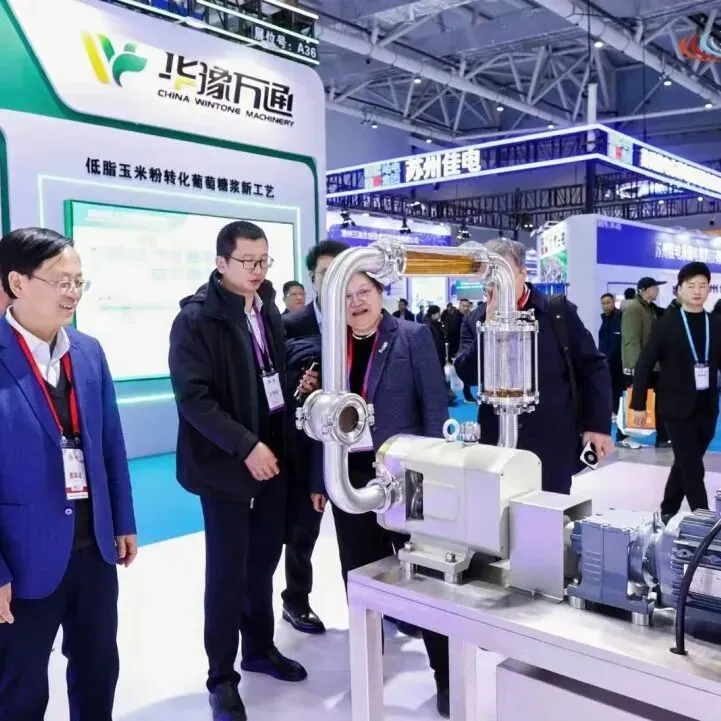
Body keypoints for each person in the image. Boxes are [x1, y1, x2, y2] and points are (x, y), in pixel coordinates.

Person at [169, 221, 305, 721]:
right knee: (226, 572)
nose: (257, 270)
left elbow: (271, 376)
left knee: (263, 561)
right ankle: (221, 677)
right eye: (247, 261)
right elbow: (194, 400)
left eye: (264, 260)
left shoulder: (266, 307)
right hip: (226, 465)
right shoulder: (196, 319)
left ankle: (260, 649)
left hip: (274, 458)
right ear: (221, 262)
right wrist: (246, 446)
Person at [0, 227, 137, 720]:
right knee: (20, 687)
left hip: (94, 550)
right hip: (22, 559)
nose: (73, 293)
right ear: (17, 282)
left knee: (98, 669)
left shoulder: (88, 350)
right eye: (61, 281)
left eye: (79, 282)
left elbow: (110, 444)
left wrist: (122, 521)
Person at [309, 271, 451, 717]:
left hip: (406, 474)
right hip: (348, 477)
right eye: (347, 296)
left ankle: (446, 676)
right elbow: (322, 420)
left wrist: (433, 473)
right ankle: (368, 668)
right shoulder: (333, 345)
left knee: (425, 576)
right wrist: (319, 480)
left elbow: (435, 407)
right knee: (360, 577)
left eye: (364, 292)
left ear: (380, 293)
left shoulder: (413, 337)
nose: (356, 303)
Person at [455, 238, 613, 494]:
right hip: (495, 441)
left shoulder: (556, 312)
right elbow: (467, 373)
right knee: (495, 509)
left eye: (504, 276)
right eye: (490, 279)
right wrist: (488, 328)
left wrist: (597, 427)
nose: (497, 286)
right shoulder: (475, 319)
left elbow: (593, 366)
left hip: (552, 441)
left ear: (523, 273)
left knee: (549, 510)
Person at [280, 239, 349, 635]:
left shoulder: (359, 316)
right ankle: (295, 599)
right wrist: (301, 385)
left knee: (363, 531)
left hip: (353, 441)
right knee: (302, 529)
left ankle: (375, 603)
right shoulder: (290, 325)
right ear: (313, 278)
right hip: (305, 444)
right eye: (325, 272)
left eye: (341, 269)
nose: (333, 278)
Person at [630, 262, 721, 524]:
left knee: (685, 461)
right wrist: (638, 404)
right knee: (692, 467)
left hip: (707, 408)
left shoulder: (715, 324)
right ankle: (704, 522)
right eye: (691, 286)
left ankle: (668, 508)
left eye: (702, 286)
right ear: (679, 289)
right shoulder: (666, 324)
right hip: (675, 408)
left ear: (709, 289)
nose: (697, 291)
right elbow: (644, 364)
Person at [622, 277, 671, 448]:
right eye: (654, 287)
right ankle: (623, 436)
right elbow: (631, 339)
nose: (657, 290)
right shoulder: (634, 309)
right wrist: (636, 366)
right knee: (635, 398)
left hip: (654, 364)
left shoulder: (650, 309)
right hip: (643, 365)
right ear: (645, 290)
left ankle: (663, 437)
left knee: (660, 401)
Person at [599, 293, 640, 450]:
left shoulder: (619, 319)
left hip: (619, 367)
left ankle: (624, 435)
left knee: (622, 399)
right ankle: (621, 434)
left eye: (608, 302)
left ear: (614, 302)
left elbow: (616, 345)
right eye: (603, 303)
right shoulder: (605, 320)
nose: (606, 305)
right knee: (615, 398)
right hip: (607, 366)